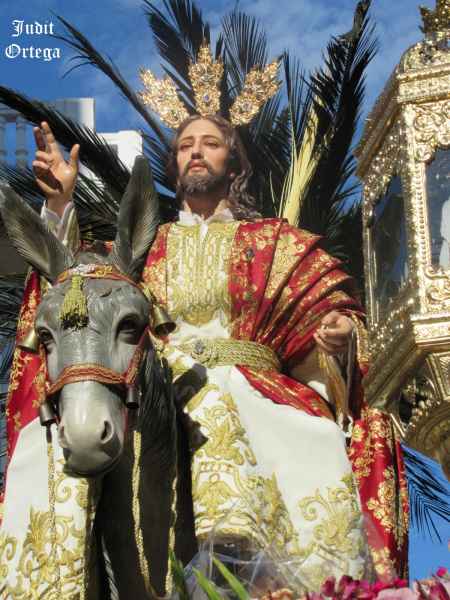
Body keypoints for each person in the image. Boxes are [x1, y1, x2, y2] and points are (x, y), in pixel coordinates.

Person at [10, 112, 407, 591]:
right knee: (47, 440)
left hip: (254, 391)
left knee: (316, 442)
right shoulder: (142, 248)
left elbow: (330, 312)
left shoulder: (277, 243)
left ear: (234, 162)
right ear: (174, 164)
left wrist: (339, 337)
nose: (196, 151)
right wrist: (59, 205)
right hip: (156, 385)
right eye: (185, 145)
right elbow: (76, 291)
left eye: (210, 143)